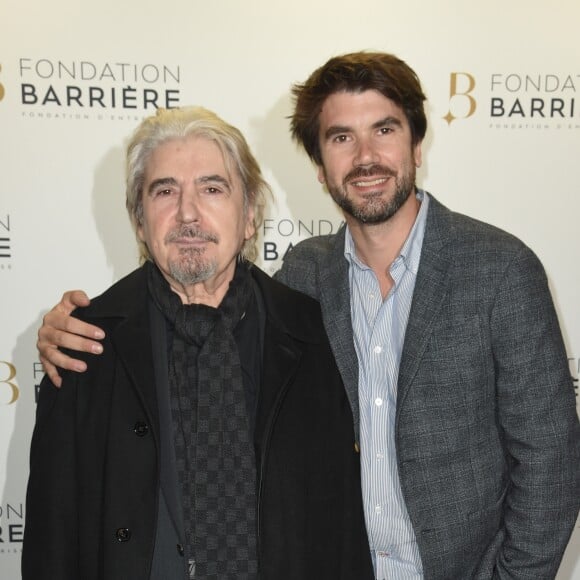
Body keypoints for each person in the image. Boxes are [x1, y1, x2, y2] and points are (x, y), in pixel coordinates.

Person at [37, 53, 580, 579]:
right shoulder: (304, 279)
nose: (366, 156)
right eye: (342, 137)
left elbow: (551, 465)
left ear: (417, 145)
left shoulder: (500, 271)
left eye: (385, 130)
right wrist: (61, 330)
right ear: (320, 167)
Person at [23, 106, 374, 580]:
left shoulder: (314, 332)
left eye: (212, 188)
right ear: (139, 221)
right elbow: (52, 540)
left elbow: (344, 529)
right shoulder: (84, 342)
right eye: (165, 191)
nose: (188, 212)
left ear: (249, 216)